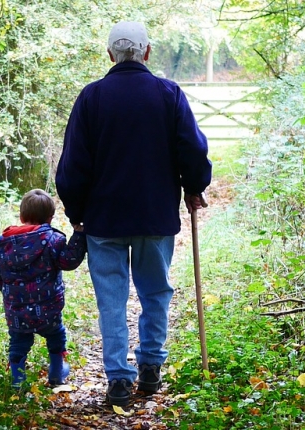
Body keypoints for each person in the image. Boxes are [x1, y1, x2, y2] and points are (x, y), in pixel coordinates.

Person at [54, 21, 212, 407]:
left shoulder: (91, 98)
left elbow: (73, 164)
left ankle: (119, 380)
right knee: (155, 292)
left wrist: (76, 212)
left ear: (110, 55)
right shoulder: (168, 93)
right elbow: (192, 149)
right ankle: (151, 367)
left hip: (103, 220)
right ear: (147, 52)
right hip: (154, 217)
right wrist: (195, 186)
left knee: (112, 299)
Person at [0, 189, 88, 388]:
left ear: (21, 216)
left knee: (18, 341)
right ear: (50, 218)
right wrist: (79, 235)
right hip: (48, 307)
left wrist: (10, 293)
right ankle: (57, 373)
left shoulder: (3, 245)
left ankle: (18, 381)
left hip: (16, 310)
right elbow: (68, 261)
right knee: (56, 335)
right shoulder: (53, 240)